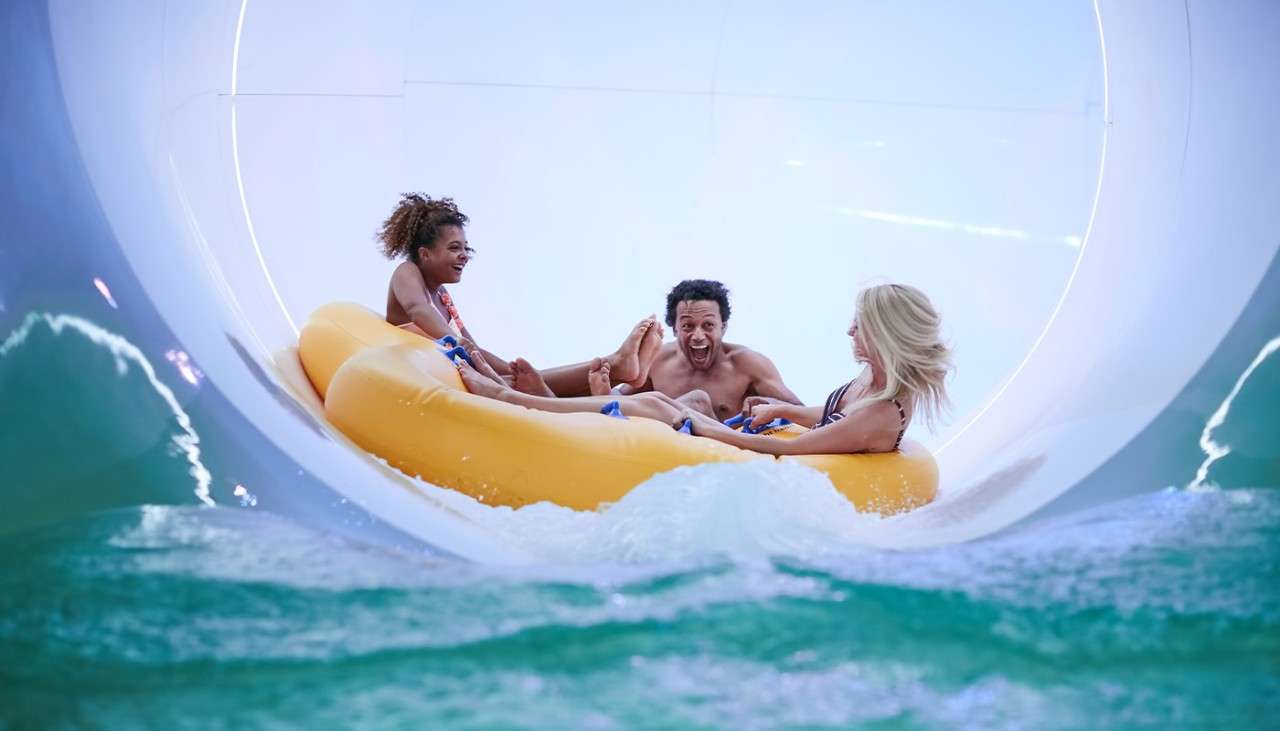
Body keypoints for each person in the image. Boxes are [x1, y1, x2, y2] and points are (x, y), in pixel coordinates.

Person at [456, 283, 951, 456]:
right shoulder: (873, 383)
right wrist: (780, 409)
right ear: (673, 327)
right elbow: (826, 417)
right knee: (651, 395)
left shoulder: (881, 411)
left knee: (666, 404)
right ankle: (524, 385)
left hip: (755, 457)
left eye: (859, 326)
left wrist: (703, 426)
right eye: (685, 326)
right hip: (716, 428)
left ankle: (515, 399)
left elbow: (803, 448)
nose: (848, 332)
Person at [377, 193, 663, 396]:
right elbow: (418, 310)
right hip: (430, 376)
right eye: (454, 248)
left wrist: (510, 369)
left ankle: (618, 375)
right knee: (527, 385)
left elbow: (475, 350)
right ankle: (617, 366)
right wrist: (456, 342)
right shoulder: (408, 272)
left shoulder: (444, 300)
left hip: (455, 377)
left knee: (528, 381)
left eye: (466, 248)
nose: (464, 256)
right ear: (425, 254)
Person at [608, 279, 802, 420]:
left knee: (697, 401)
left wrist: (771, 405)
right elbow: (623, 401)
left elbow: (801, 412)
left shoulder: (748, 365)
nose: (698, 336)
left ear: (723, 328)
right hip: (667, 451)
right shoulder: (659, 361)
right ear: (675, 329)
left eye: (708, 325)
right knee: (618, 400)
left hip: (722, 451)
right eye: (687, 326)